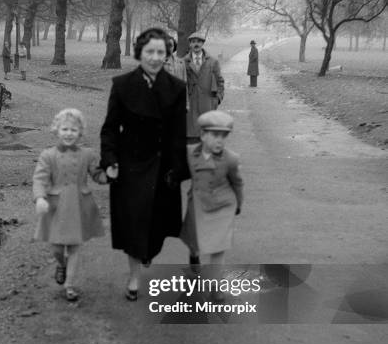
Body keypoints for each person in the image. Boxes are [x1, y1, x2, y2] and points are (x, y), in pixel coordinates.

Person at [100, 27, 187, 301]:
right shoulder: (122, 85)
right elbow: (110, 129)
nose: (155, 57)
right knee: (133, 224)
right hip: (131, 165)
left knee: (157, 227)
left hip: (163, 167)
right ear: (140, 53)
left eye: (161, 52)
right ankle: (134, 277)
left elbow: (178, 133)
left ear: (167, 54)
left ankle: (149, 251)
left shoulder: (176, 88)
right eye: (150, 51)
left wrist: (178, 169)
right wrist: (110, 160)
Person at [33, 108, 107, 302]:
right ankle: (61, 265)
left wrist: (108, 175)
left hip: (79, 206)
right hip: (56, 207)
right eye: (64, 129)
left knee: (74, 247)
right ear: (56, 130)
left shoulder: (88, 154)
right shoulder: (47, 155)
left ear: (80, 132)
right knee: (57, 248)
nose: (68, 133)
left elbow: (97, 174)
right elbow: (39, 179)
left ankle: (70, 285)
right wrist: (40, 197)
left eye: (73, 130)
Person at [180, 110, 243, 299]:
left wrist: (239, 204)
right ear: (202, 135)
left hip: (222, 206)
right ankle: (193, 257)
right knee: (194, 240)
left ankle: (216, 287)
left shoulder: (231, 159)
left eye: (223, 136)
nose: (220, 141)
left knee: (217, 248)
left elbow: (237, 183)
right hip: (197, 204)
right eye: (215, 135)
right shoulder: (190, 153)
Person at [183, 31, 225, 143]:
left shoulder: (213, 62)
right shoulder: (183, 62)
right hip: (191, 105)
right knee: (191, 138)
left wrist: (217, 99)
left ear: (202, 44)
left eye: (198, 42)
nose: (196, 44)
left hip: (208, 104)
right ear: (190, 45)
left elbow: (220, 82)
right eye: (193, 42)